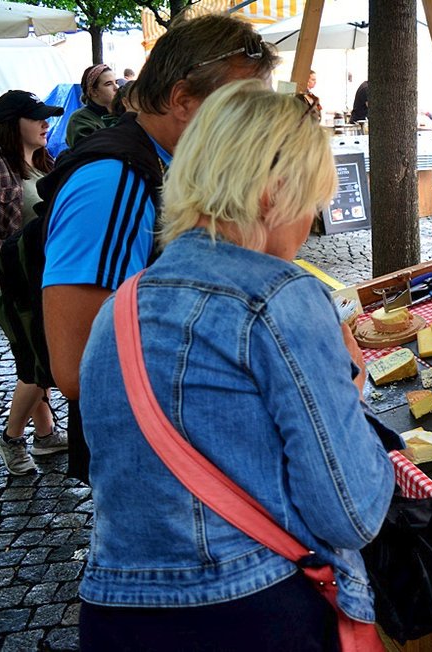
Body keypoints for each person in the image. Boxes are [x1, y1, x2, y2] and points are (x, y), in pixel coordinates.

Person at [76, 79, 396, 651]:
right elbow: (350, 513)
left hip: (113, 615)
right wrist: (352, 385)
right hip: (246, 613)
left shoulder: (120, 306)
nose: (308, 231)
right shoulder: (280, 297)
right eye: (313, 207)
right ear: (274, 191)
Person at [40, 14, 279, 484]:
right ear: (183, 100)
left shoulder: (170, 167)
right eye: (243, 107)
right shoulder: (117, 181)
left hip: (177, 440)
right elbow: (77, 367)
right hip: (148, 456)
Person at [0, 90, 67, 475]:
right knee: (40, 363)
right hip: (11, 282)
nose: (46, 123)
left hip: (39, 276)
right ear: (12, 125)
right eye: (36, 117)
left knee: (34, 353)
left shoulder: (42, 159)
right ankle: (10, 437)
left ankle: (44, 435)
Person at [65, 64, 118, 148]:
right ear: (93, 92)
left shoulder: (121, 112)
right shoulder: (80, 119)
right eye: (108, 84)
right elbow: (92, 151)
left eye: (116, 82)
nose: (116, 87)